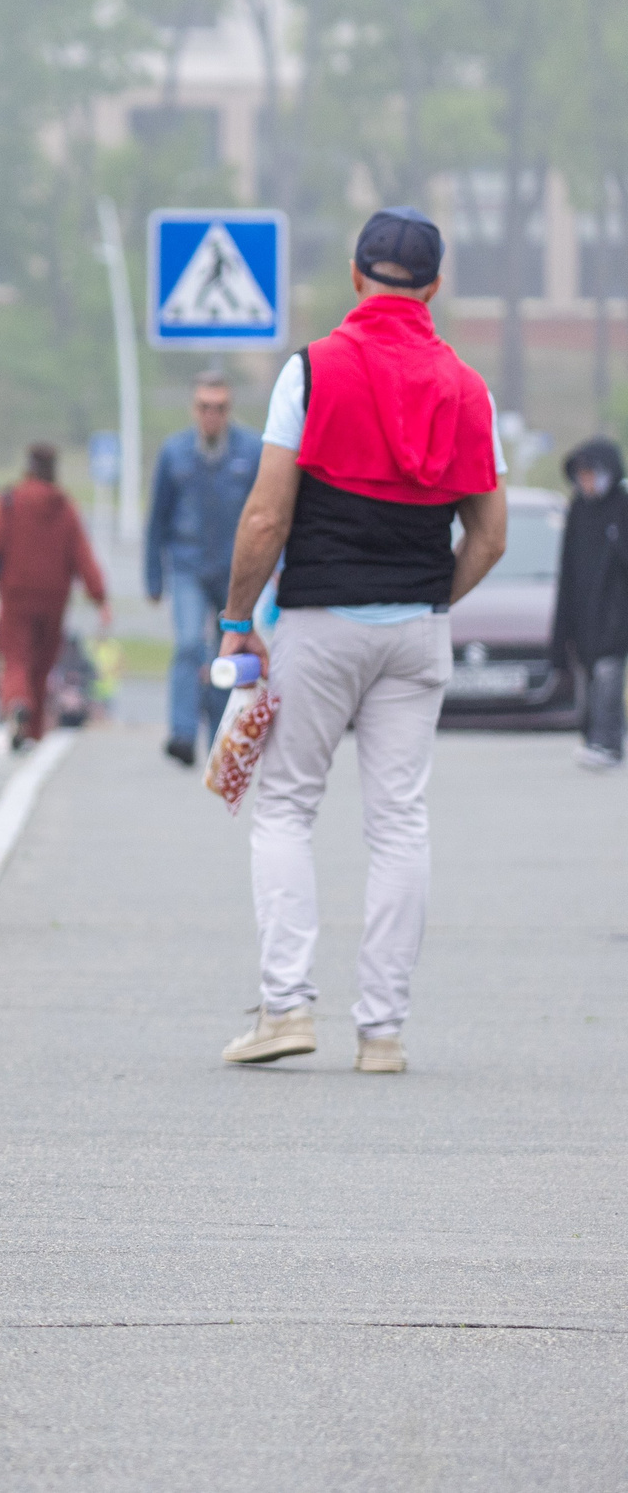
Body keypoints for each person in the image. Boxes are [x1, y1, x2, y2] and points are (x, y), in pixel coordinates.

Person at [218, 206, 506, 1076]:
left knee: (285, 807)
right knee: (399, 824)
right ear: (434, 287)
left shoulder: (311, 371)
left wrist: (237, 620)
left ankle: (287, 1007)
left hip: (317, 625)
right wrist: (426, 600)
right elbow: (488, 536)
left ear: (356, 274)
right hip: (416, 633)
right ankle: (381, 1031)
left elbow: (268, 513)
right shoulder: (468, 388)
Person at [146, 373, 263, 765]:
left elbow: (268, 514)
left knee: (224, 657)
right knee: (188, 646)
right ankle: (181, 733)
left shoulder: (250, 451)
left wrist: (273, 567)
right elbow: (157, 519)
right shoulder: (175, 452)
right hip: (188, 567)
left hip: (235, 572)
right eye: (204, 407)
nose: (211, 415)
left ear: (229, 410)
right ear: (194, 409)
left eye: (219, 408)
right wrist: (153, 577)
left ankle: (218, 739)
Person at [0, 444, 109, 753]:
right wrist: (100, 598)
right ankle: (34, 732)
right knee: (42, 664)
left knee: (15, 658)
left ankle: (17, 703)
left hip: (16, 593)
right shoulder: (66, 508)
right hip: (54, 598)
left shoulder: (10, 500)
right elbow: (83, 557)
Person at [552, 437, 628, 770]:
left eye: (591, 473)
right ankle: (594, 736)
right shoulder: (578, 509)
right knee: (590, 676)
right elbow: (568, 566)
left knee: (609, 672)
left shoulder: (622, 507)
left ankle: (608, 743)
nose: (586, 482)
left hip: (616, 615)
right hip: (583, 613)